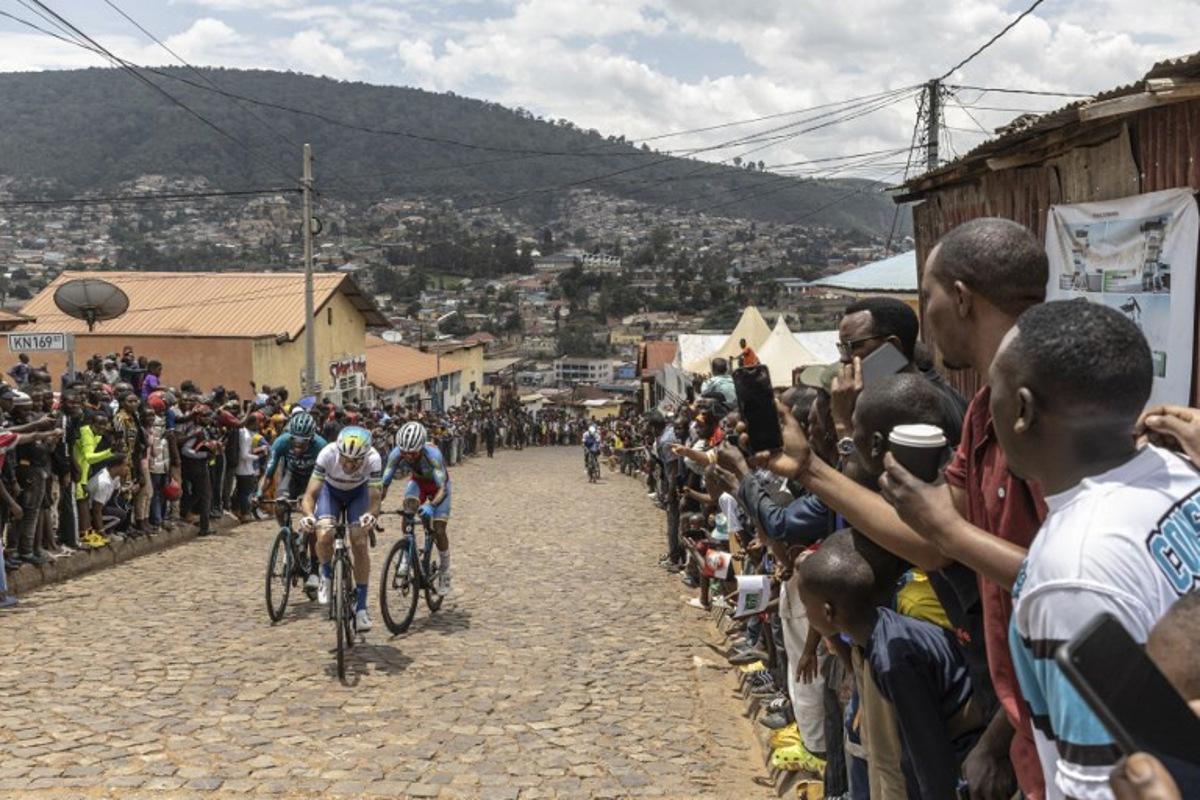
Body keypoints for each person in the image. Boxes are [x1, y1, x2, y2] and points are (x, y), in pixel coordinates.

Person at [970, 300, 1200, 800]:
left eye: (996, 391)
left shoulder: (1070, 571)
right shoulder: (1182, 475)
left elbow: (1101, 785)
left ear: (1024, 410)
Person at [798, 530, 986, 799]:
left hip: (965, 754)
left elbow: (930, 760)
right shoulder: (876, 635)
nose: (806, 614)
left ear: (828, 612)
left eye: (807, 607)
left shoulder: (893, 659)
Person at [299, 426, 382, 632]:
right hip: (331, 493)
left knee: (359, 541)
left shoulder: (373, 459)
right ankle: (326, 575)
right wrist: (309, 517)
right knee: (325, 534)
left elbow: (375, 498)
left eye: (356, 461)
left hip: (358, 494)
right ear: (339, 452)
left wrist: (371, 515)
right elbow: (310, 495)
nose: (349, 465)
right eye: (345, 459)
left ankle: (361, 608)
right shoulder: (327, 453)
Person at [382, 421, 453, 596]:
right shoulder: (396, 454)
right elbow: (383, 484)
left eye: (412, 453)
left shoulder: (433, 455)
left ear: (421, 447)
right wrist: (375, 506)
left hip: (439, 487)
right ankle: (406, 555)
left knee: (439, 528)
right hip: (418, 483)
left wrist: (431, 505)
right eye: (404, 452)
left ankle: (445, 571)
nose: (408, 456)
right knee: (407, 509)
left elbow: (443, 488)